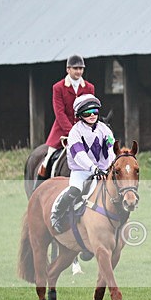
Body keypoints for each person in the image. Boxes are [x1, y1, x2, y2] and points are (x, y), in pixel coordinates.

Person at [51, 94, 116, 234]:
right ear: (80, 115)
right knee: (75, 190)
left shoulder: (105, 129)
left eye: (95, 112)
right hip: (81, 171)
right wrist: (94, 168)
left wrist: (110, 166)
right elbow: (79, 154)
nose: (92, 115)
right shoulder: (75, 132)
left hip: (103, 170)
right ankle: (57, 214)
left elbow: (111, 150)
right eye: (87, 113)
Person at [40, 54, 95, 177]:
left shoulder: (89, 88)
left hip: (84, 131)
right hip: (62, 132)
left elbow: (91, 111)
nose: (78, 71)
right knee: (47, 160)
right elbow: (59, 113)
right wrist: (72, 132)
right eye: (75, 68)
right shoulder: (58, 88)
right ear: (68, 69)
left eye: (81, 68)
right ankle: (40, 183)